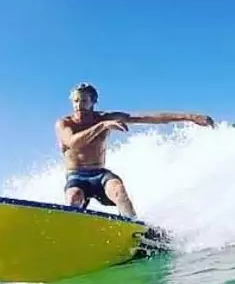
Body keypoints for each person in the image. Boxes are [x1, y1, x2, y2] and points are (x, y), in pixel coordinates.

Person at [56, 82, 214, 219]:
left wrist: (190, 117)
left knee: (118, 190)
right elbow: (73, 142)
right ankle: (72, 225)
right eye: (75, 101)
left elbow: (146, 118)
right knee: (74, 196)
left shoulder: (104, 117)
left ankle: (133, 229)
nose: (79, 105)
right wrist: (102, 126)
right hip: (76, 176)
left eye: (84, 101)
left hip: (99, 173)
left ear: (93, 102)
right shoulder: (65, 124)